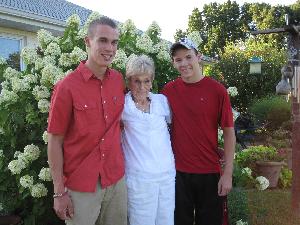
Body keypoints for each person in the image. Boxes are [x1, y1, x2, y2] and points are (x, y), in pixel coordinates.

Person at [47, 17, 127, 225]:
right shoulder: (67, 87)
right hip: (81, 186)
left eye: (114, 42)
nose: (110, 48)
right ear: (87, 41)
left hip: (116, 180)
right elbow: (54, 140)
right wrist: (58, 192)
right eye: (103, 40)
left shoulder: (119, 80)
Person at [161, 38, 236, 225]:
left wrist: (227, 174)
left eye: (188, 57)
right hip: (177, 173)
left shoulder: (217, 91)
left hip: (209, 171)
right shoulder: (168, 91)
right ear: (173, 63)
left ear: (198, 57)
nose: (184, 63)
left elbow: (228, 132)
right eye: (178, 60)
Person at [121, 55, 175, 225]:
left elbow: (172, 128)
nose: (142, 86)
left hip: (166, 175)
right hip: (139, 179)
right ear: (129, 81)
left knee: (166, 220)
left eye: (146, 81)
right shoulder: (123, 106)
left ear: (152, 81)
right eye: (136, 81)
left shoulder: (162, 102)